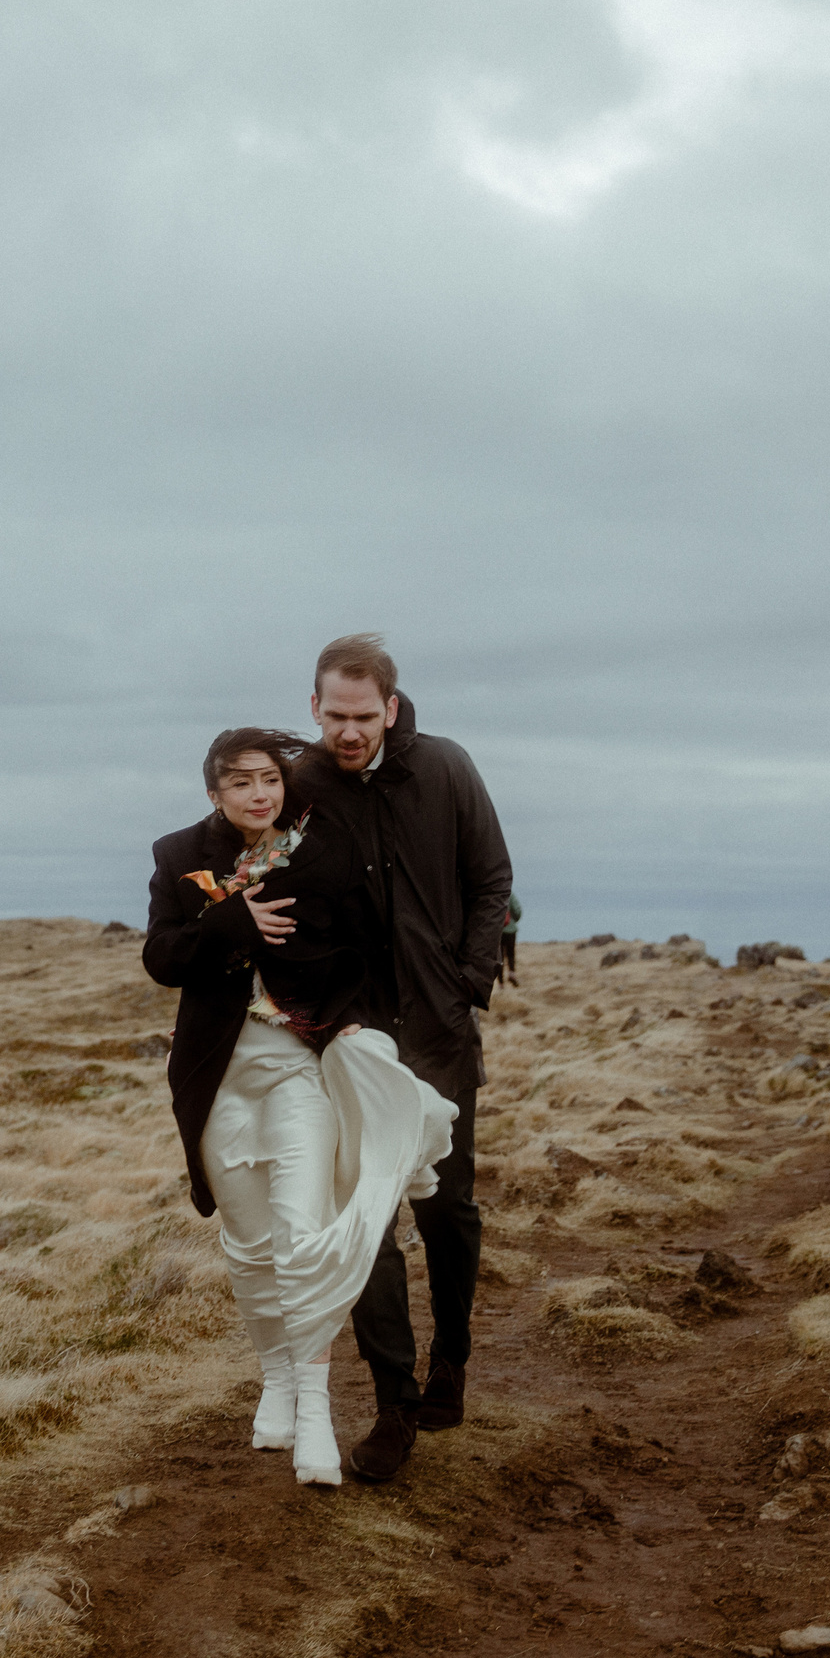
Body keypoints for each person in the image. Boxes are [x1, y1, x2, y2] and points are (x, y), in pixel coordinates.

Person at [143, 727, 456, 1487]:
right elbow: (162, 957)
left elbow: (359, 949)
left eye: (270, 779)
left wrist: (353, 1019)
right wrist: (229, 923)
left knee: (303, 1236)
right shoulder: (177, 854)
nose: (260, 792)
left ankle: (314, 1410)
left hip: (296, 1068)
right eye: (242, 782)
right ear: (215, 793)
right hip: (218, 1078)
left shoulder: (323, 851)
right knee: (249, 1248)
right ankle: (277, 1375)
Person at [291, 634, 512, 1481]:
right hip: (351, 1042)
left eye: (362, 716)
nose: (348, 732)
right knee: (367, 1219)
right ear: (314, 708)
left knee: (446, 1207)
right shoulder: (302, 788)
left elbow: (492, 877)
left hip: (439, 1029)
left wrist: (465, 983)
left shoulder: (447, 769)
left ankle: (450, 1359)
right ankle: (395, 1402)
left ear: (390, 706)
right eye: (333, 716)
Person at [500, 892, 522, 985]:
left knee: (499, 956)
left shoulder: (494, 893)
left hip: (498, 930)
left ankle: (500, 982)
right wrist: (513, 920)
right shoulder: (510, 895)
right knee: (511, 953)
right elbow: (517, 910)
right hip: (510, 929)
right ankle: (511, 973)